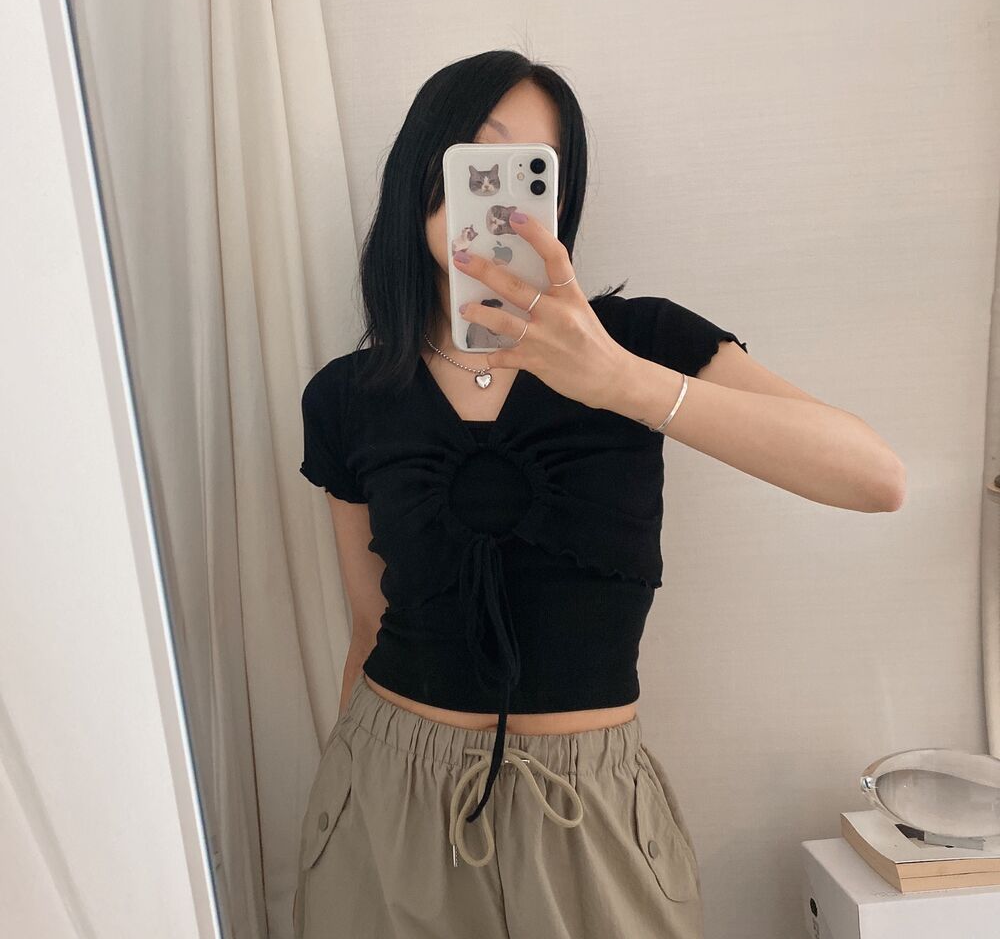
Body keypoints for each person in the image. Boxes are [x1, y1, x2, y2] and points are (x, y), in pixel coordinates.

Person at [292, 50, 906, 939]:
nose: (497, 196)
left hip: (588, 810)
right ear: (423, 166)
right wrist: (346, 793)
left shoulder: (641, 340)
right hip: (388, 797)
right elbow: (366, 622)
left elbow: (875, 477)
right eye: (477, 158)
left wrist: (623, 381)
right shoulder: (346, 397)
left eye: (530, 172)